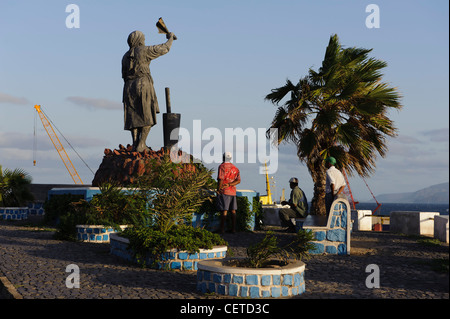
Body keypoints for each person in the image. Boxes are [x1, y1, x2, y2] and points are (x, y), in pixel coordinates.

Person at [122, 30, 175, 152]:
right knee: (147, 114)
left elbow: (123, 75)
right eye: (143, 38)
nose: (144, 40)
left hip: (128, 86)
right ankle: (142, 143)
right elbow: (164, 48)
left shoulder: (125, 56)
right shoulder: (144, 50)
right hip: (142, 84)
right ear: (139, 40)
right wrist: (170, 38)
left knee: (133, 115)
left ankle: (135, 144)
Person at [217, 152, 241, 234]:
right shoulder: (235, 168)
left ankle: (222, 229)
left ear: (223, 157)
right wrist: (230, 184)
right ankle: (233, 229)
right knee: (233, 211)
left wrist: (219, 189)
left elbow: (221, 179)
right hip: (233, 192)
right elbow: (238, 180)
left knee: (224, 210)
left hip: (225, 191)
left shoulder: (222, 167)